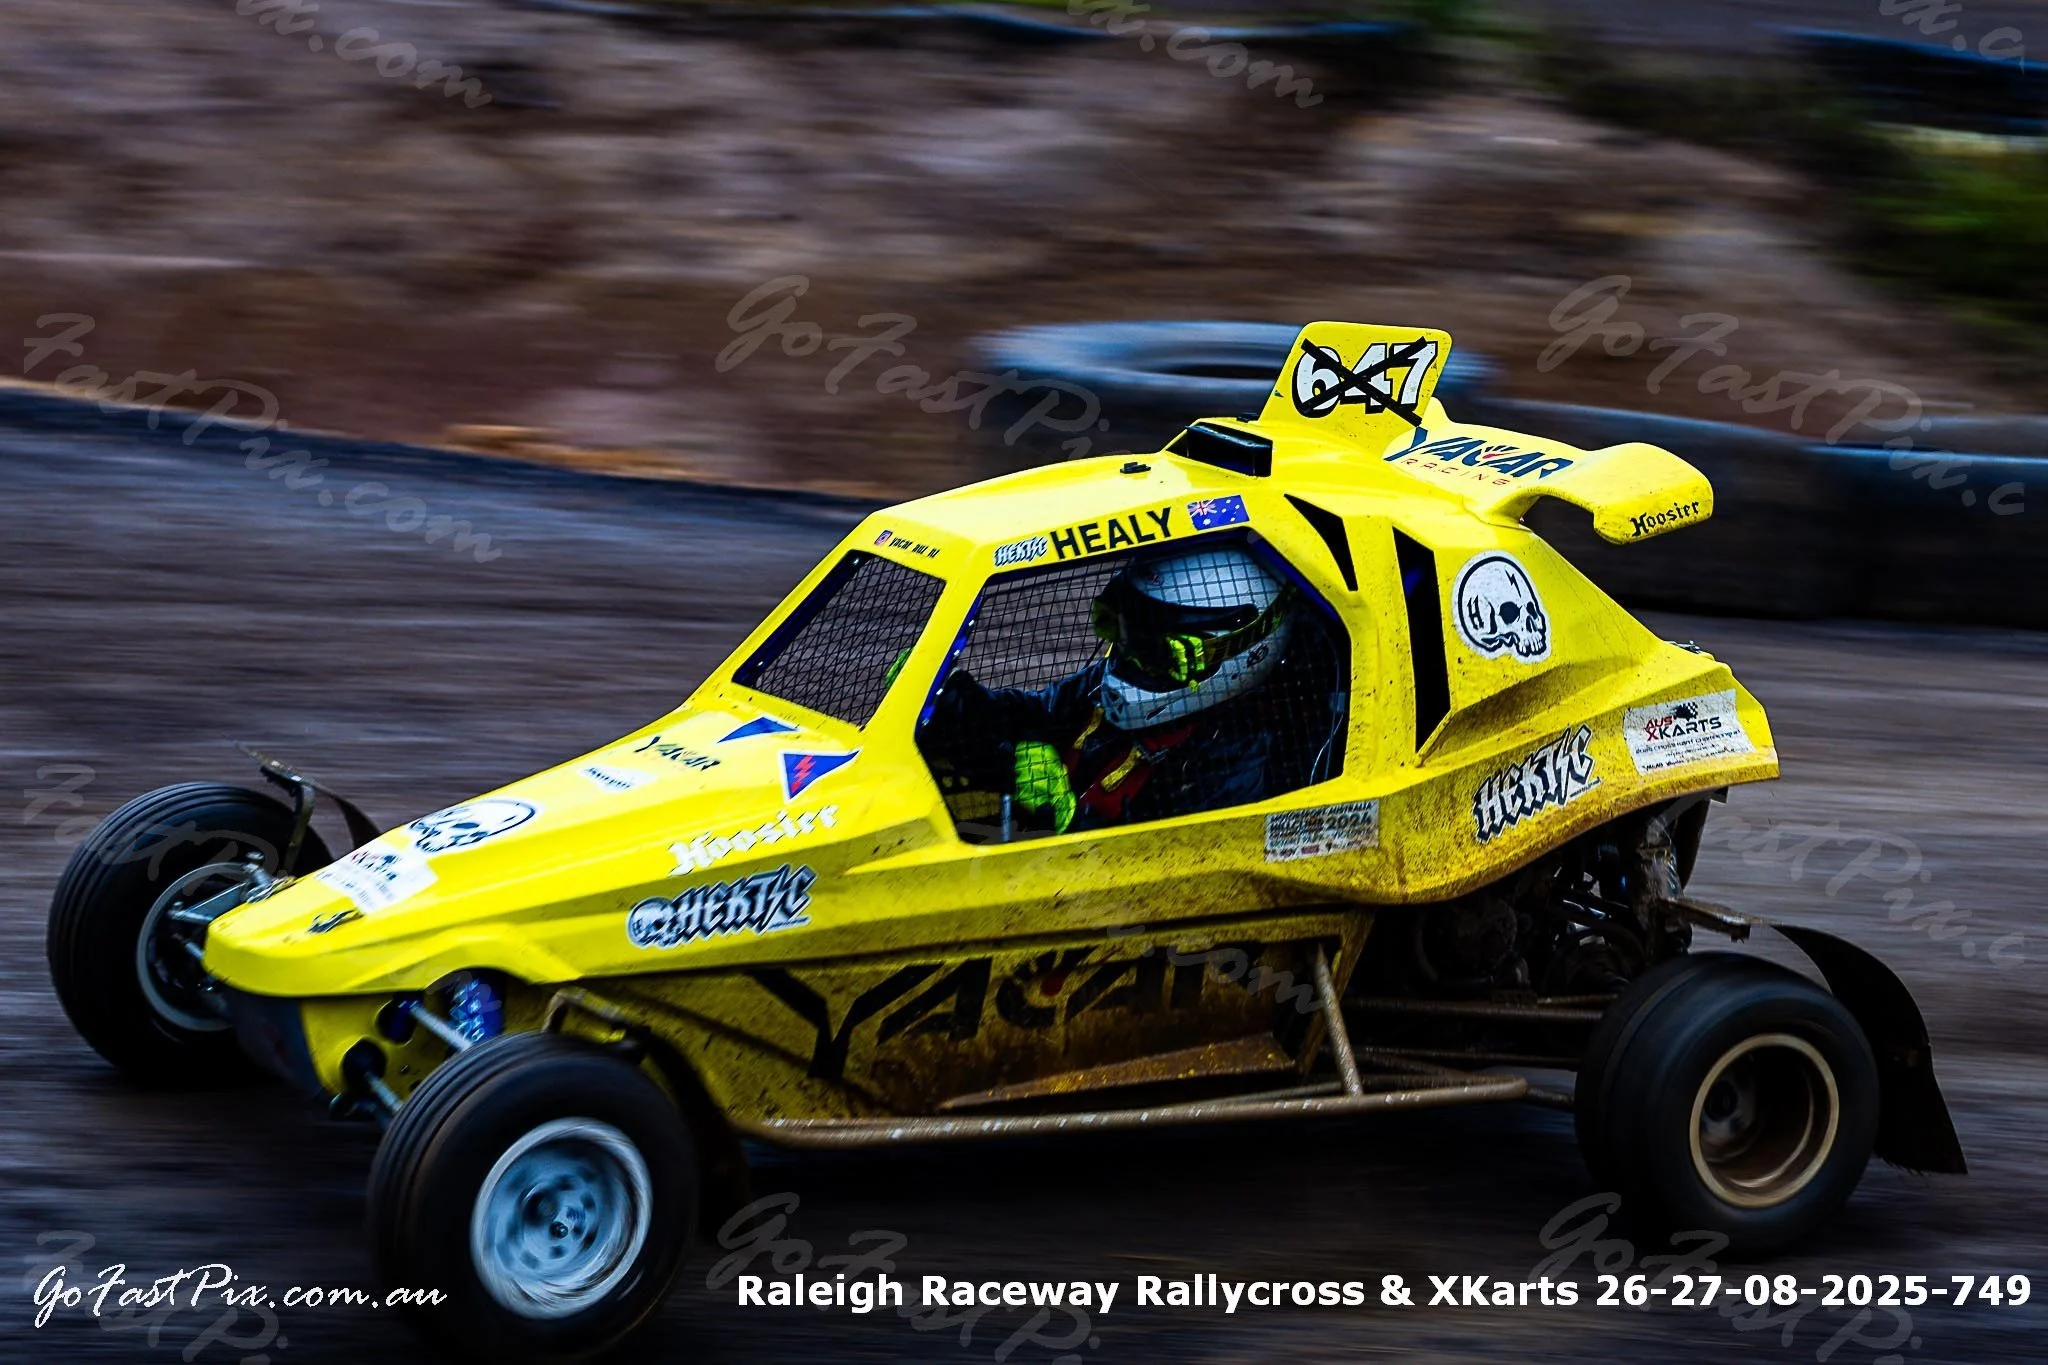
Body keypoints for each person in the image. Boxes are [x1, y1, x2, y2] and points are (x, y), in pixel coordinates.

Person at [919, 545, 1298, 834]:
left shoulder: (1239, 760)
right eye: (1123, 634)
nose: (1129, 659)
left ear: (1239, 651)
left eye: (1153, 651)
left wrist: (1068, 820)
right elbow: (1034, 715)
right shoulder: (1101, 686)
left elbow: (1157, 865)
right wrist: (952, 699)